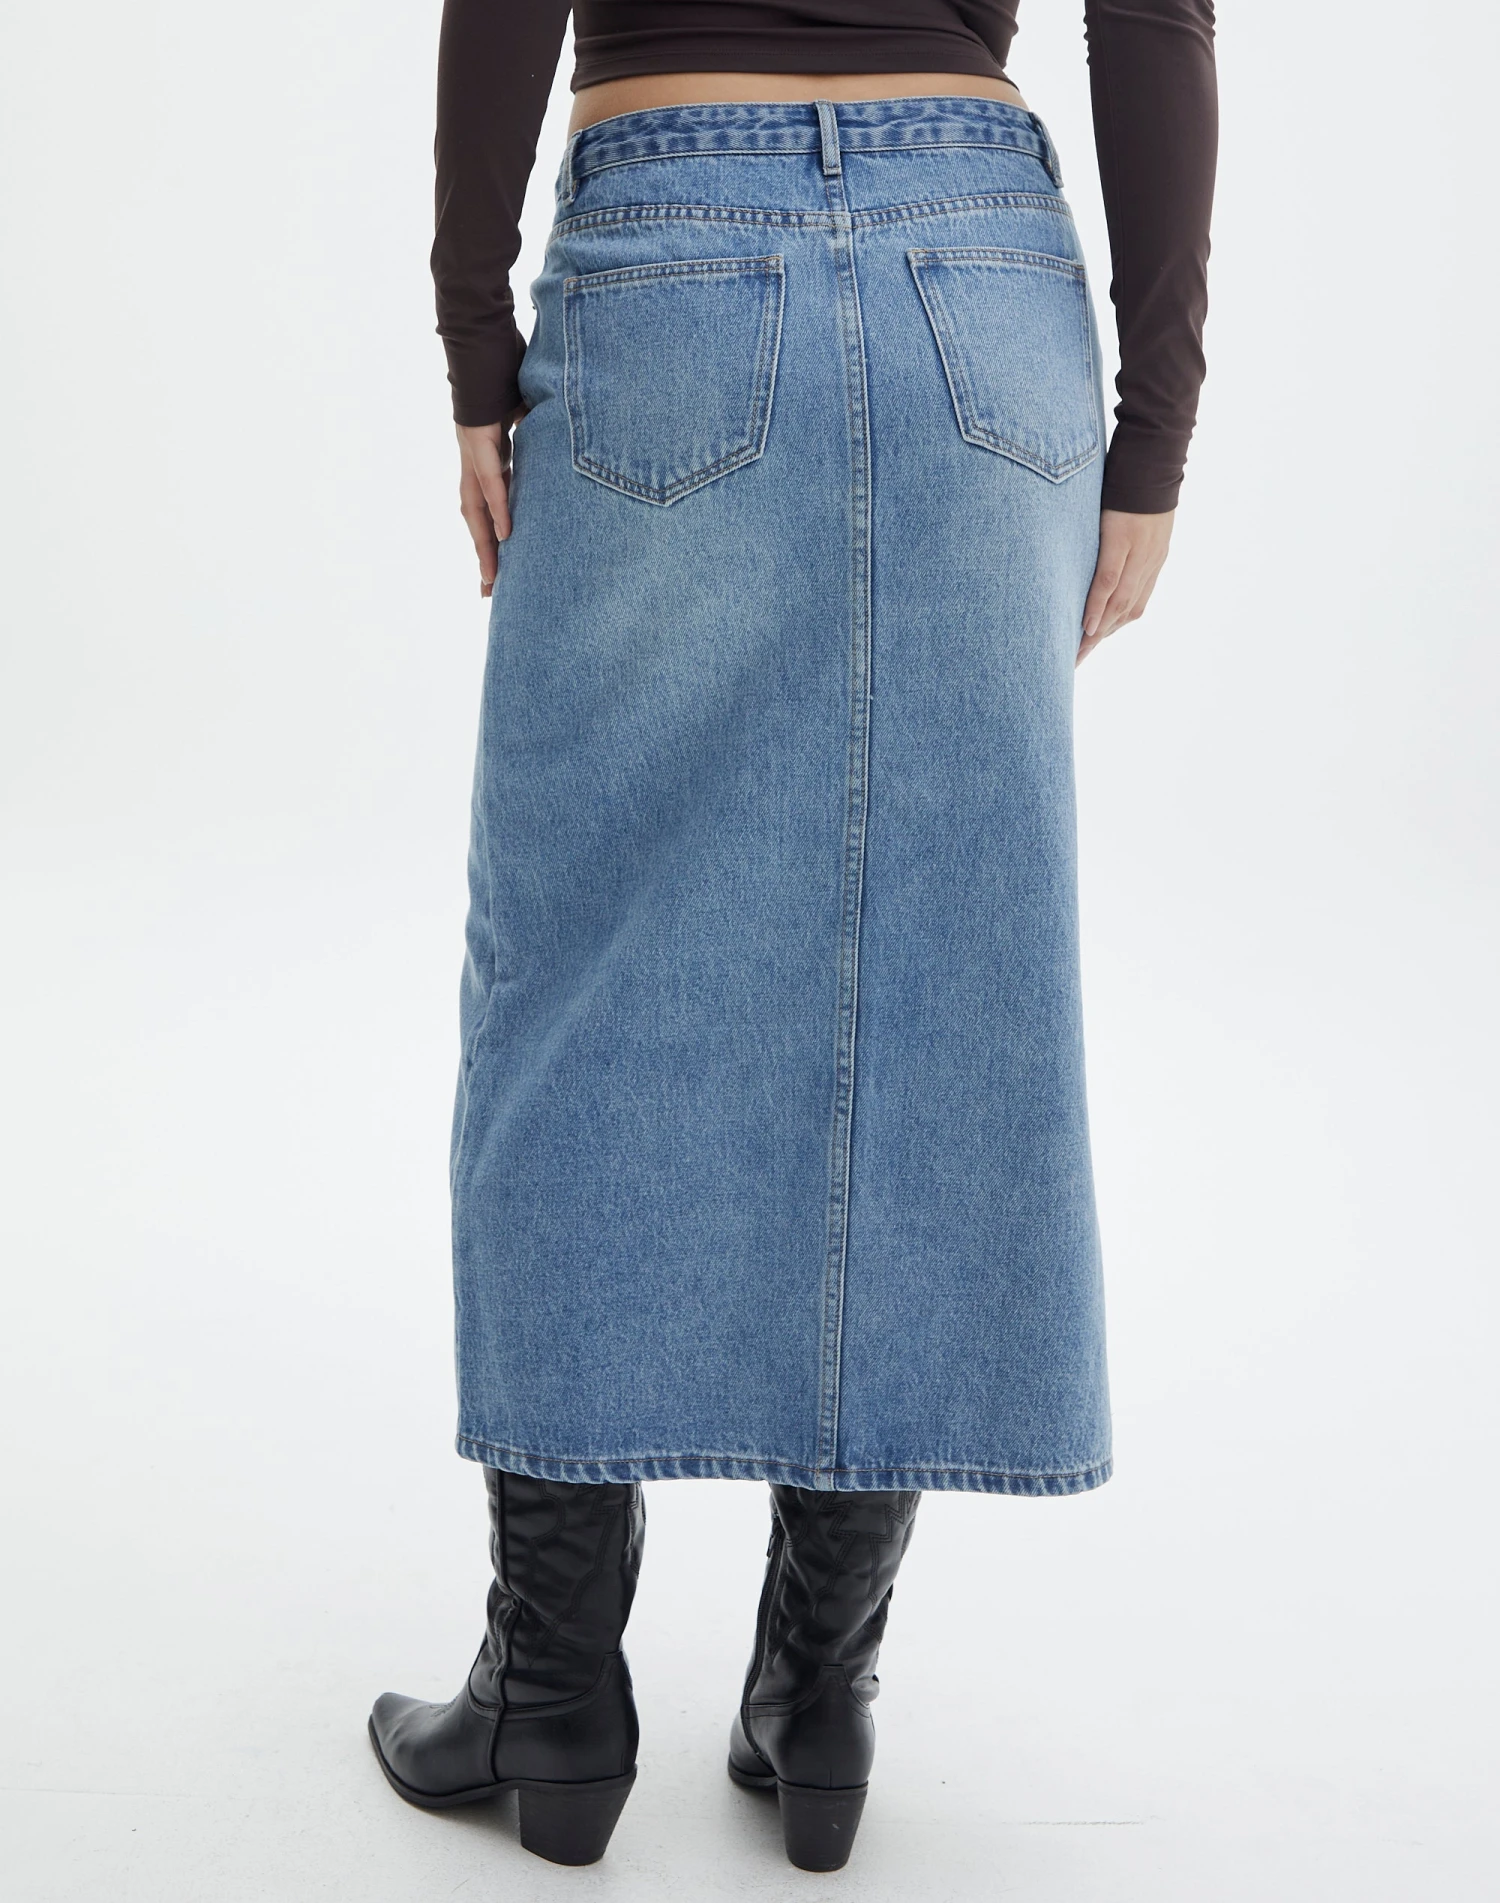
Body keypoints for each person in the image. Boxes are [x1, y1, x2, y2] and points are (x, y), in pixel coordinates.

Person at [368, 0, 1217, 1874]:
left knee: (572, 979)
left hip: (670, 254)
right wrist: (1156, 428)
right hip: (983, 286)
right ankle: (818, 1695)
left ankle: (553, 1683)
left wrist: (473, 345)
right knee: (928, 968)